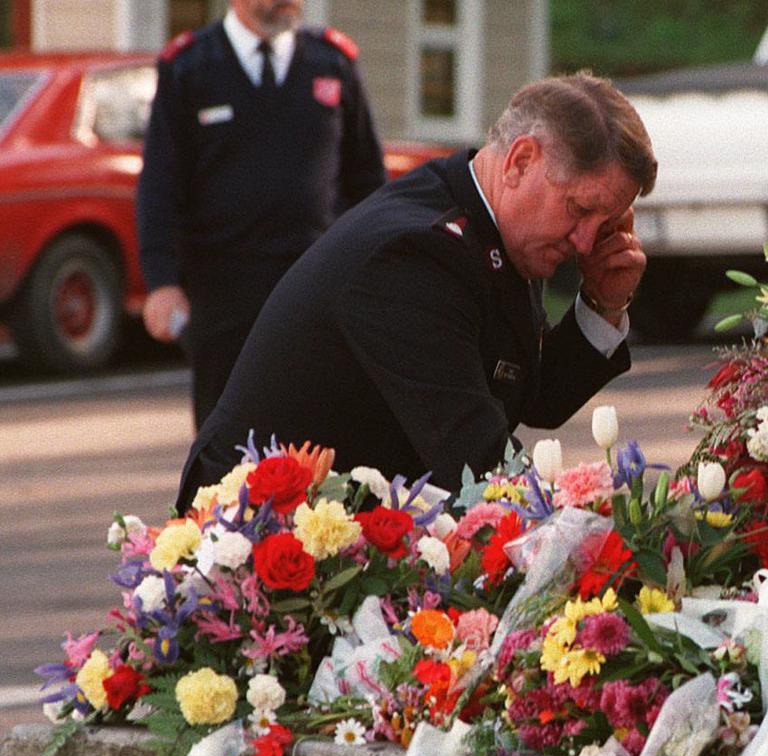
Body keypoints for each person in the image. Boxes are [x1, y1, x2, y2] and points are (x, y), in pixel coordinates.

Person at [176, 71, 657, 511]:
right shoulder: (415, 253)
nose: (587, 243)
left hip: (334, 526)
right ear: (521, 161)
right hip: (249, 532)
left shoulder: (493, 221)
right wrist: (591, 529)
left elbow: (532, 396)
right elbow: (475, 459)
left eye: (607, 222)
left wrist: (603, 300)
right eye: (578, 209)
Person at [138, 0, 385, 429]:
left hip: (316, 287)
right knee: (225, 447)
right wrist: (162, 282)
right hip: (223, 294)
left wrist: (375, 270)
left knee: (321, 444)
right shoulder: (190, 68)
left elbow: (368, 183)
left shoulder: (333, 63)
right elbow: (160, 187)